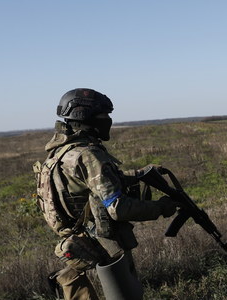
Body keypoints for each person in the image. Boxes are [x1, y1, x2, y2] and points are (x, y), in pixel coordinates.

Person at [34, 88, 178, 299]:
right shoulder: (89, 155)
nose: (108, 120)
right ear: (86, 117)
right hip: (104, 244)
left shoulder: (61, 151)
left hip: (79, 238)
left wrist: (138, 174)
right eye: (104, 115)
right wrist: (162, 207)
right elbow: (119, 208)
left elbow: (88, 185)